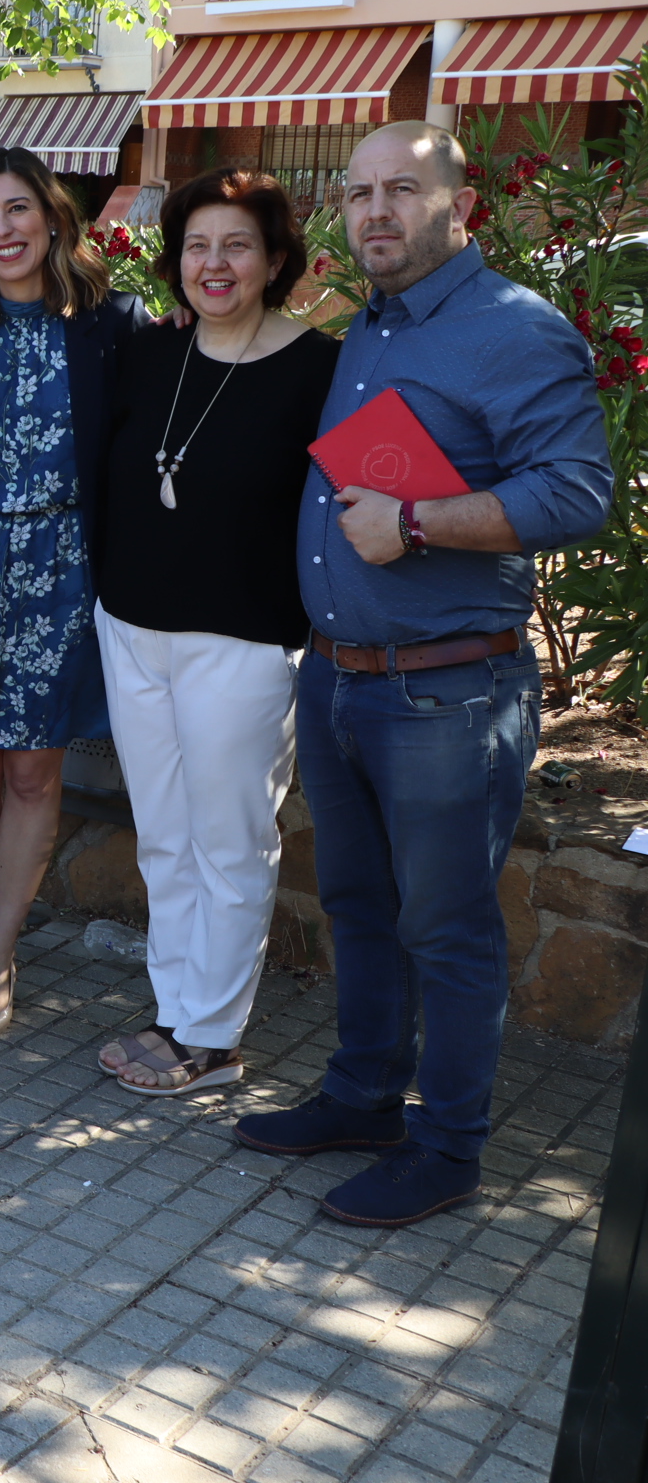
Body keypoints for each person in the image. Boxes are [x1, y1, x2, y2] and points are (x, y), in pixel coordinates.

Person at [235, 121, 612, 1227]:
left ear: (462, 207)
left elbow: (581, 493)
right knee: (356, 904)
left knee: (445, 930)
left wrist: (418, 519)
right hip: (344, 678)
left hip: (447, 691)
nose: (376, 212)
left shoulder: (513, 331)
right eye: (357, 194)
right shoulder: (371, 327)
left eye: (403, 189)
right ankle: (363, 1098)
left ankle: (447, 1150)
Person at [93, 168, 338, 1095]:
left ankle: (214, 1036)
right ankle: (173, 1011)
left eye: (237, 243)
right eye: (197, 244)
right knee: (163, 834)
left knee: (229, 838)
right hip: (131, 629)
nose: (214, 262)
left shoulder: (322, 369)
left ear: (274, 258)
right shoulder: (153, 356)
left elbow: (370, 495)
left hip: (243, 642)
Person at [0, 148, 147, 1042]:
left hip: (62, 567)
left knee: (36, 767)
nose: (1, 230)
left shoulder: (113, 324)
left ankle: (4, 947)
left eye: (16, 210)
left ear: (51, 218)